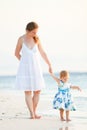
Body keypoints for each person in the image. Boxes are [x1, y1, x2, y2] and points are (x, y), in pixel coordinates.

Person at [15, 21, 52, 119]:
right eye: (33, 32)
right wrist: (24, 63)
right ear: (27, 30)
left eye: (36, 32)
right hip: (25, 69)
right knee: (27, 92)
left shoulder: (37, 39)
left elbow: (43, 53)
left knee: (37, 91)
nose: (35, 34)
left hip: (36, 69)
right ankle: (31, 113)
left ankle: (34, 112)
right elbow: (16, 53)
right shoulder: (21, 39)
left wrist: (49, 65)